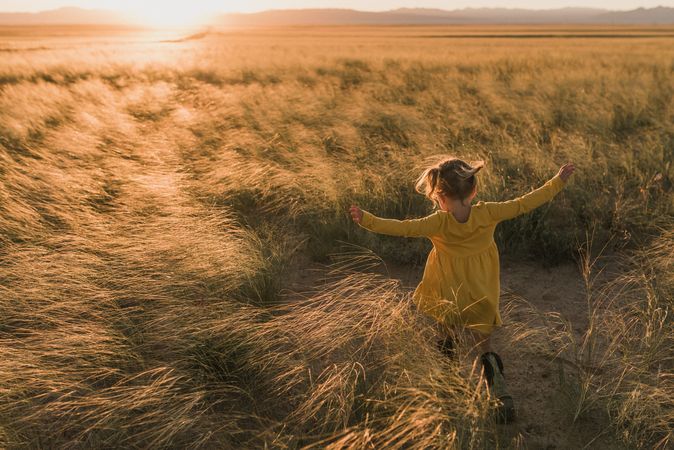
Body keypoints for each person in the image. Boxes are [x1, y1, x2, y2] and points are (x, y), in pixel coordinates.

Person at [349, 158, 575, 423]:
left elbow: (401, 228)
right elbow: (525, 202)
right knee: (483, 343)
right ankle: (500, 394)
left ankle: (448, 387)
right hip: (480, 288)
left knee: (446, 333)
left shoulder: (438, 223)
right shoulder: (487, 213)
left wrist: (367, 220)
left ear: (440, 197)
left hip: (446, 290)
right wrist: (557, 182)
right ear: (474, 190)